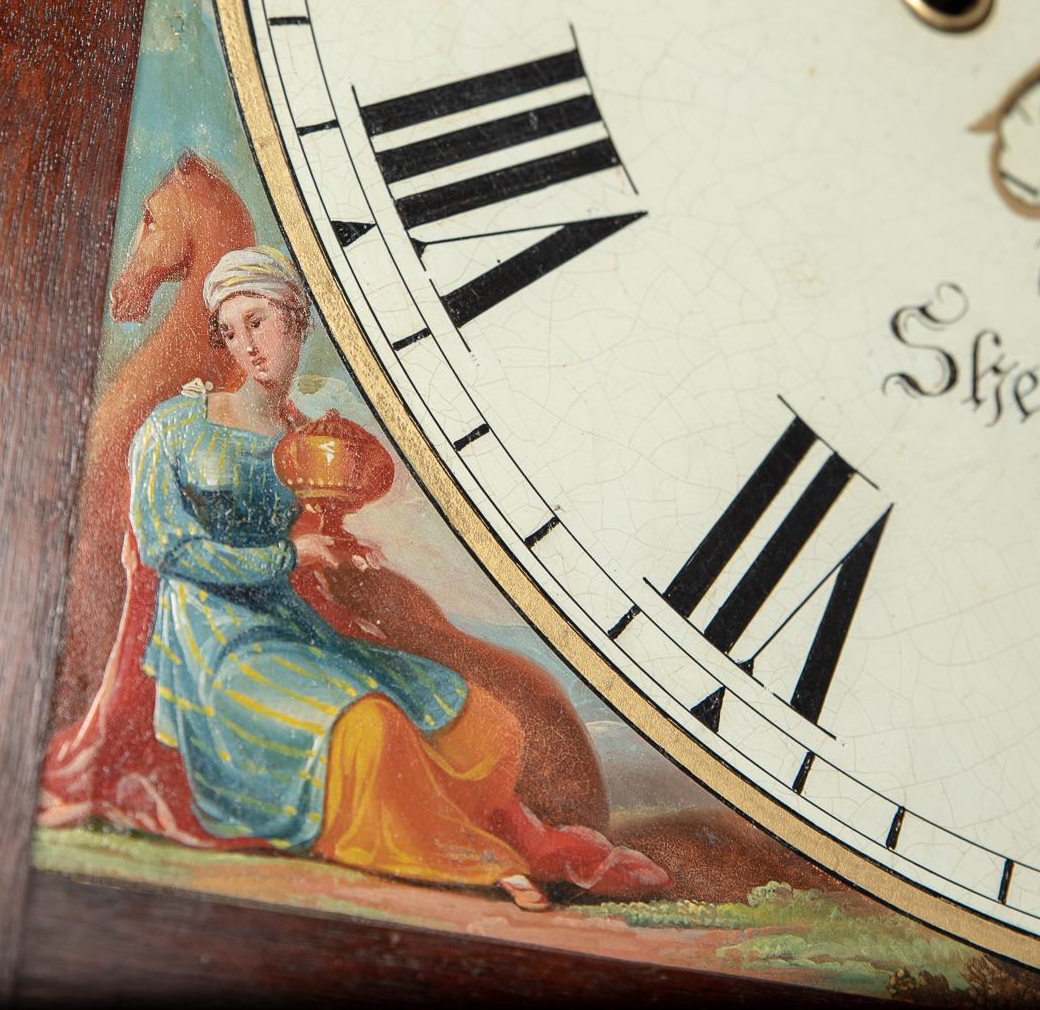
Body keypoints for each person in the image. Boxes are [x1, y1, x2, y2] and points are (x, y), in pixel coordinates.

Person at [125, 246, 667, 909]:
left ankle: (536, 837)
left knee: (471, 712)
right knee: (369, 723)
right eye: (231, 329)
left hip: (293, 632)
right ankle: (472, 860)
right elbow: (164, 544)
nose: (247, 344)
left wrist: (340, 552)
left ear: (296, 320)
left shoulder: (306, 438)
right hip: (216, 646)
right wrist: (289, 557)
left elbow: (318, 534)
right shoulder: (177, 426)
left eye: (259, 321)